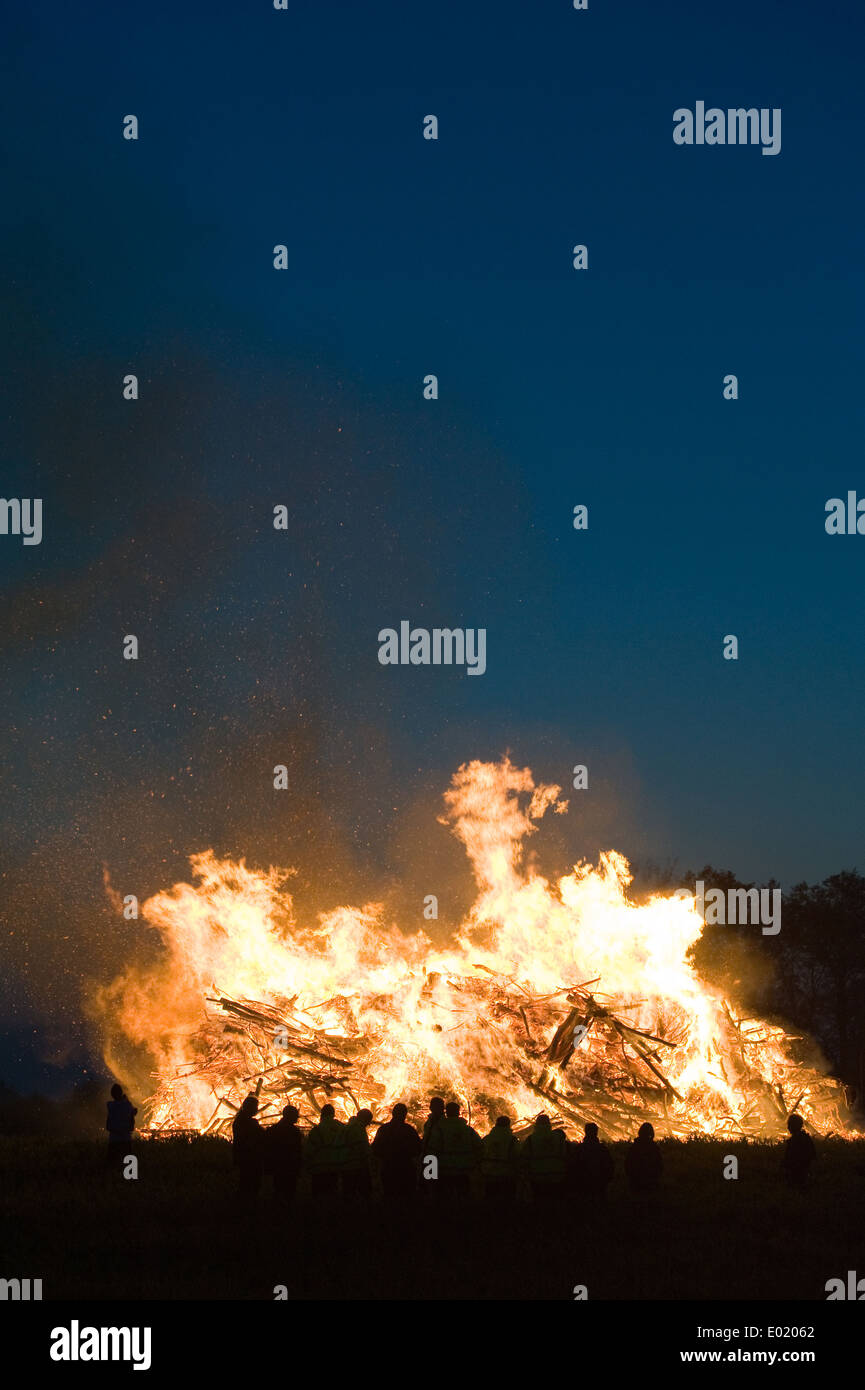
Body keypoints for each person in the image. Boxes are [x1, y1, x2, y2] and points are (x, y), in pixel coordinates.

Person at [428, 1101, 482, 1197]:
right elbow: (480, 1147)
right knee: (463, 1197)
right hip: (464, 1171)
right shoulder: (468, 1130)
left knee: (446, 1198)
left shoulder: (439, 1129)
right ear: (458, 1113)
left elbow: (432, 1150)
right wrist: (474, 1164)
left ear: (446, 1112)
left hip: (445, 1170)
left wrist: (430, 1174)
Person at [372, 1103, 422, 1200]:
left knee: (390, 1197)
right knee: (405, 1198)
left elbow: (375, 1149)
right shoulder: (409, 1130)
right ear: (405, 1115)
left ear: (393, 1113)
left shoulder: (383, 1129)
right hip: (406, 1169)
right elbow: (418, 1149)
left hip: (388, 1169)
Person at [519, 1113, 568, 1204]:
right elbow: (564, 1155)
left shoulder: (531, 1139)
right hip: (556, 1176)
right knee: (555, 1203)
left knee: (539, 1202)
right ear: (549, 1124)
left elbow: (525, 1159)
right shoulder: (558, 1138)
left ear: (536, 1125)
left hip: (538, 1176)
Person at [305, 1103, 347, 1196]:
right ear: (333, 1114)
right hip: (335, 1166)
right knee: (332, 1194)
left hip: (319, 1167)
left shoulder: (316, 1130)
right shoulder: (341, 1128)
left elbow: (309, 1150)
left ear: (322, 1114)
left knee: (319, 1195)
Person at [232, 1094, 265, 1199]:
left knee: (246, 1184)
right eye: (256, 1107)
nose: (257, 1109)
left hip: (244, 1158)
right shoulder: (247, 1122)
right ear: (249, 1107)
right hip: (250, 1159)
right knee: (250, 1185)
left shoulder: (240, 1120)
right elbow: (259, 1136)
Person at [269, 1104, 303, 1204]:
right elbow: (298, 1150)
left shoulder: (273, 1129)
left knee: (278, 1191)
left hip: (277, 1167)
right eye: (296, 1115)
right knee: (289, 1193)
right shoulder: (295, 1132)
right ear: (290, 1116)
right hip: (290, 1167)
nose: (297, 1117)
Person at [481, 1115, 519, 1200]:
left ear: (496, 1124)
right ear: (508, 1125)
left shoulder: (486, 1139)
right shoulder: (512, 1140)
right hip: (507, 1176)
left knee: (490, 1199)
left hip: (489, 1175)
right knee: (507, 1200)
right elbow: (518, 1155)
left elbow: (480, 1153)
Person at [572, 1122, 614, 1198]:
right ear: (596, 1132)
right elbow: (609, 1167)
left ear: (585, 1132)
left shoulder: (579, 1149)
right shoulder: (602, 1149)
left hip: (583, 1186)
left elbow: (573, 1167)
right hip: (599, 1185)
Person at [343, 1109, 374, 1197]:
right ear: (364, 1119)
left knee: (349, 1193)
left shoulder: (348, 1127)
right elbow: (362, 1148)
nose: (368, 1125)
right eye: (368, 1122)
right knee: (363, 1192)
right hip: (357, 1166)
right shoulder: (358, 1128)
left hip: (347, 1165)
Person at [625, 1122, 663, 1193]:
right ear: (651, 1133)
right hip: (651, 1184)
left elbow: (628, 1165)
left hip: (636, 1184)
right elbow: (659, 1165)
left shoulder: (634, 1147)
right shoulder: (654, 1148)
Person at [105, 1083, 137, 1167]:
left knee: (112, 1164)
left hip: (113, 1140)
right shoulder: (127, 1105)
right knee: (128, 1166)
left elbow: (114, 1105)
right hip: (126, 1139)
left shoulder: (110, 1106)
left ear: (112, 1095)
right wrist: (126, 1100)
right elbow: (133, 1112)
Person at [782, 1113, 817, 1188]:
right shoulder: (806, 1139)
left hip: (797, 1174)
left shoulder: (794, 1141)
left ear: (793, 1126)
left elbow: (788, 1159)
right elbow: (813, 1156)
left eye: (789, 1125)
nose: (788, 1127)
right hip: (804, 1174)